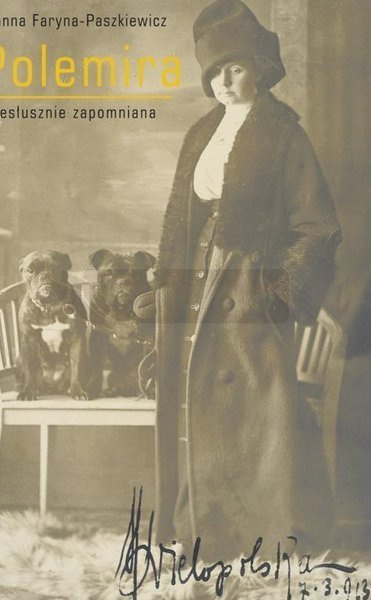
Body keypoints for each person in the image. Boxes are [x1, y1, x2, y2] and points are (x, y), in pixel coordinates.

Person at [137, 0, 342, 561]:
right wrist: (169, 278)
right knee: (197, 404)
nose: (225, 83)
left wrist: (278, 293)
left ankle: (257, 538)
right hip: (198, 279)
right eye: (215, 73)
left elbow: (319, 228)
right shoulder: (203, 131)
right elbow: (182, 215)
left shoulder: (283, 134)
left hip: (250, 285)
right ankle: (197, 528)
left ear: (259, 68)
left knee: (250, 414)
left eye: (235, 69)